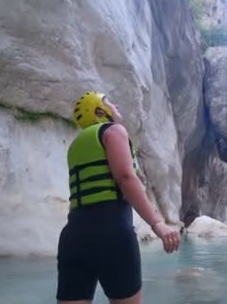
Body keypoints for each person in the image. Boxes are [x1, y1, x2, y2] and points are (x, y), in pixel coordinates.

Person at [56, 91, 181, 304]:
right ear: (98, 111)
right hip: (111, 233)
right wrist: (158, 224)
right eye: (109, 103)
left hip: (73, 236)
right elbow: (125, 178)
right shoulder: (113, 131)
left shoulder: (75, 146)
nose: (116, 106)